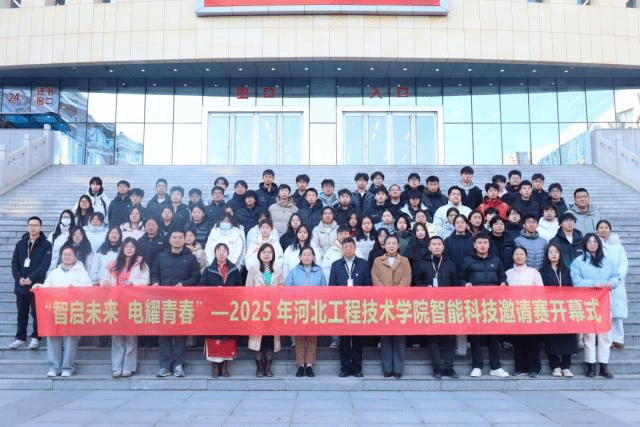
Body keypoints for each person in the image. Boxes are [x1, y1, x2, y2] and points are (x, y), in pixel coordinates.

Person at [34, 246, 92, 377]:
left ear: (75, 257)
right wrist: (39, 287)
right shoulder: (55, 272)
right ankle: (54, 367)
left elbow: (89, 288)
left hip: (73, 310)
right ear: (61, 256)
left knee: (71, 339)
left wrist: (75, 288)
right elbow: (47, 286)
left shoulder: (81, 272)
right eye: (64, 255)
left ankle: (67, 367)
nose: (67, 257)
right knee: (53, 337)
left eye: (70, 255)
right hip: (56, 309)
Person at [151, 229, 201, 378]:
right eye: (175, 237)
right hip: (164, 301)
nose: (177, 240)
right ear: (170, 240)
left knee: (180, 334)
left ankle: (178, 365)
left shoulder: (190, 258)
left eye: (180, 237)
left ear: (184, 240)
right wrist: (155, 282)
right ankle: (165, 366)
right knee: (164, 334)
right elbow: (154, 273)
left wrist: (184, 284)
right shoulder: (161, 257)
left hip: (182, 301)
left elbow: (196, 277)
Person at [570, 233, 620, 379]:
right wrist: (593, 284)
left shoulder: (607, 261)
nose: (592, 244)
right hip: (587, 302)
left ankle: (604, 366)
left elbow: (616, 276)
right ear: (585, 244)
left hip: (604, 302)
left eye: (595, 241)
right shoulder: (578, 261)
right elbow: (576, 280)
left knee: (605, 334)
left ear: (599, 244)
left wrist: (611, 283)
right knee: (589, 334)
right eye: (589, 242)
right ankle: (590, 365)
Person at [101, 238, 150, 378]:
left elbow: (146, 281)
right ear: (122, 248)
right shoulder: (114, 264)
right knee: (116, 336)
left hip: (133, 303)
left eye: (132, 247)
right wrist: (105, 282)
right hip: (116, 303)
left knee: (130, 336)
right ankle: (116, 367)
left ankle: (128, 366)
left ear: (136, 249)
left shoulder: (141, 264)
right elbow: (105, 278)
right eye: (127, 246)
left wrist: (132, 283)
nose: (129, 249)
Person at [462, 233, 509, 378]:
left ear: (489, 245)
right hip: (475, 303)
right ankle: (477, 366)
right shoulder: (467, 261)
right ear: (474, 245)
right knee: (475, 336)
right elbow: (461, 277)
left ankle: (496, 366)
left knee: (493, 336)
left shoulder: (496, 260)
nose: (482, 245)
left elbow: (502, 277)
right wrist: (465, 284)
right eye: (479, 243)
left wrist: (503, 283)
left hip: (492, 303)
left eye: (485, 243)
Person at [411, 236, 459, 378]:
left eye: (439, 244)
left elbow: (455, 284)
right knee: (433, 338)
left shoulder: (450, 263)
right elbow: (415, 282)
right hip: (429, 305)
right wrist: (424, 287)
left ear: (443, 247)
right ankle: (437, 367)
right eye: (434, 244)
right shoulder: (422, 263)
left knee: (449, 337)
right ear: (429, 247)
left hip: (447, 305)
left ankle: (449, 367)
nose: (437, 246)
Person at [329, 238, 371, 377]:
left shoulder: (363, 264)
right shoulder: (336, 265)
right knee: (344, 340)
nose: (348, 248)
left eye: (350, 246)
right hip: (342, 307)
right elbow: (332, 287)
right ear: (342, 249)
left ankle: (357, 368)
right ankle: (345, 367)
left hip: (359, 307)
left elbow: (368, 286)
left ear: (355, 248)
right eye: (345, 246)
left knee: (358, 340)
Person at [9, 217, 52, 350]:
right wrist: (19, 278)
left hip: (36, 285)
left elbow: (45, 265)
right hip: (21, 285)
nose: (33, 227)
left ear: (41, 227)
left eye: (36, 225)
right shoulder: (20, 244)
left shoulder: (46, 244)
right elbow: (14, 264)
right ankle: (20, 338)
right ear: (28, 227)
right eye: (31, 225)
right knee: (21, 313)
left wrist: (31, 278)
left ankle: (36, 338)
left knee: (36, 313)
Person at [372, 235, 411, 378]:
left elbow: (407, 278)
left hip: (400, 302)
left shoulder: (405, 261)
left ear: (398, 246)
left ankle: (398, 369)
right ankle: (387, 368)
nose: (391, 246)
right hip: (384, 302)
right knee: (386, 335)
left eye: (394, 243)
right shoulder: (378, 261)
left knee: (399, 335)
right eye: (388, 243)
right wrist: (386, 292)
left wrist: (396, 293)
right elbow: (375, 278)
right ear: (384, 245)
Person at [201, 243, 243, 378]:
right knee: (214, 337)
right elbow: (202, 287)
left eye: (224, 250)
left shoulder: (234, 269)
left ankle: (225, 367)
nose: (221, 253)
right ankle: (215, 367)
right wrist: (214, 291)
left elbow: (240, 288)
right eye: (218, 250)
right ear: (215, 253)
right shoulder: (209, 270)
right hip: (213, 309)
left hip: (229, 308)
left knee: (228, 337)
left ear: (228, 253)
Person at [285, 246, 327, 377]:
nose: (307, 257)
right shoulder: (294, 271)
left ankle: (309, 365)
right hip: (299, 307)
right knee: (299, 336)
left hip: (314, 307)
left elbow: (324, 289)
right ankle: (300, 364)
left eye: (309, 254)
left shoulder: (319, 271)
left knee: (312, 337)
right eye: (304, 254)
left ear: (314, 257)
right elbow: (287, 289)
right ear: (300, 257)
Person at [540, 243, 577, 377]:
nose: (553, 254)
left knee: (568, 336)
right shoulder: (542, 271)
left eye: (556, 252)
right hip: (550, 308)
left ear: (560, 254)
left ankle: (566, 366)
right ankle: (555, 366)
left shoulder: (566, 270)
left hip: (566, 308)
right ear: (547, 255)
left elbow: (572, 288)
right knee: (552, 338)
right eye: (551, 252)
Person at [506, 246, 544, 377]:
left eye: (522, 254)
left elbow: (540, 291)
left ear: (526, 257)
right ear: (512, 256)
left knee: (533, 341)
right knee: (518, 342)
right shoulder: (508, 273)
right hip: (515, 311)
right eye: (516, 254)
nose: (519, 256)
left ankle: (534, 369)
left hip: (531, 310)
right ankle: (520, 368)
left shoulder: (534, 272)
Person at [246, 243, 283, 377]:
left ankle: (268, 368)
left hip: (272, 310)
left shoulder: (277, 269)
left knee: (269, 340)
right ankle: (259, 368)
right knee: (258, 340)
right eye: (264, 252)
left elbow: (281, 288)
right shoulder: (253, 269)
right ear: (259, 254)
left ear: (273, 255)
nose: (266, 255)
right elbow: (248, 288)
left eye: (269, 252)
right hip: (258, 309)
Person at [597, 220, 628, 349]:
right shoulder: (594, 244)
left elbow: (623, 262)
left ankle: (618, 338)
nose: (603, 229)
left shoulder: (618, 246)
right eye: (601, 227)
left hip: (616, 283)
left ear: (610, 229)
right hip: (602, 282)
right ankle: (606, 339)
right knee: (603, 312)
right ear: (597, 230)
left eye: (606, 227)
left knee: (617, 312)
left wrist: (617, 277)